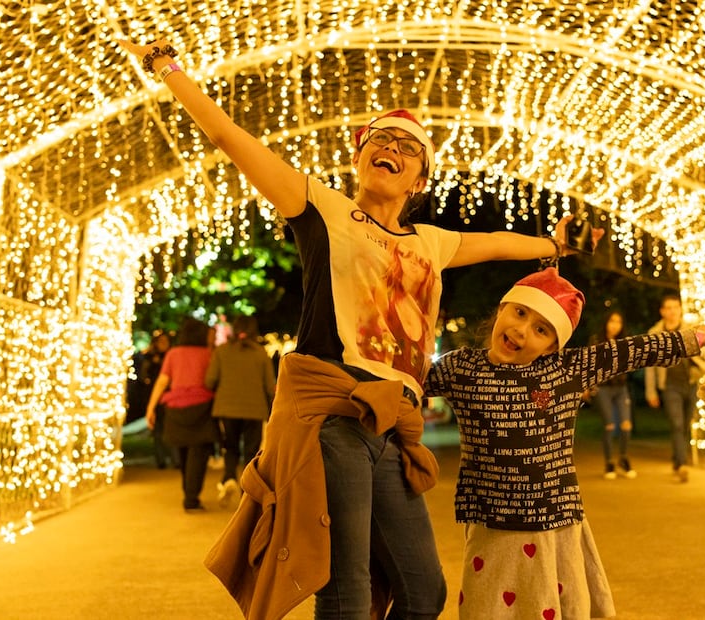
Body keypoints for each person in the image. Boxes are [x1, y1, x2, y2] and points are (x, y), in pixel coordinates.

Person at [117, 36, 598, 618]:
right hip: (335, 418)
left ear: (420, 179)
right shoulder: (322, 209)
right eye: (380, 141)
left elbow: (496, 243)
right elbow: (228, 137)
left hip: (392, 426)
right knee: (346, 589)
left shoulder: (431, 242)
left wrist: (555, 246)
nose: (391, 148)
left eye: (408, 148)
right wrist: (165, 66)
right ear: (359, 157)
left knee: (423, 592)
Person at [424, 268, 705, 618]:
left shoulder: (566, 369)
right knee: (488, 608)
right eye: (520, 312)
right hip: (491, 522)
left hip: (555, 519)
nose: (521, 330)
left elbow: (631, 351)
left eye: (541, 329)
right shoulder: (460, 369)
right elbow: (407, 381)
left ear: (552, 345)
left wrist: (698, 338)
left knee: (553, 605)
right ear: (502, 309)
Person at [145, 317, 217, 511]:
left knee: (183, 451)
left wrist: (151, 407)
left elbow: (162, 381)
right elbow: (213, 380)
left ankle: (188, 491)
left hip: (175, 408)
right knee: (198, 453)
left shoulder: (173, 354)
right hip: (202, 408)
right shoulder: (208, 354)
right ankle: (191, 497)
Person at [205, 315, 277, 506]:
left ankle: (229, 477)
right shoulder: (260, 353)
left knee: (230, 446)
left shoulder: (222, 351)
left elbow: (210, 380)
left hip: (227, 408)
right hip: (255, 409)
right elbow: (270, 386)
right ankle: (247, 493)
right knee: (251, 451)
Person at [644, 293, 705, 482]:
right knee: (677, 423)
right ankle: (681, 464)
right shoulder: (655, 333)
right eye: (669, 308)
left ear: (680, 309)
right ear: (662, 311)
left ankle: (677, 457)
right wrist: (651, 391)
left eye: (676, 307)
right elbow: (650, 366)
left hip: (691, 382)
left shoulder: (692, 329)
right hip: (670, 385)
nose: (672, 312)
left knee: (686, 424)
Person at [591, 310, 637, 480]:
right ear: (606, 322)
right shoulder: (597, 340)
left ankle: (623, 459)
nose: (615, 325)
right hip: (602, 388)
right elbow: (590, 364)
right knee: (609, 425)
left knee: (626, 425)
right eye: (612, 321)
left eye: (618, 322)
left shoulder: (624, 342)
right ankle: (609, 462)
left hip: (620, 387)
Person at [141, 330, 178, 469]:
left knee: (172, 428)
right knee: (158, 430)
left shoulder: (172, 357)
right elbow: (144, 377)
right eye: (161, 342)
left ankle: (176, 460)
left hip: (170, 398)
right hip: (155, 399)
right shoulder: (150, 358)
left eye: (166, 341)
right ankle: (161, 459)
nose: (164, 344)